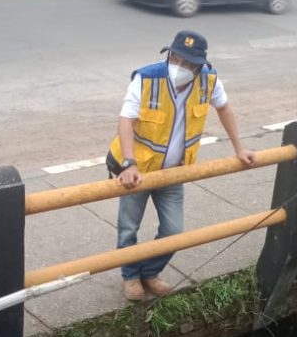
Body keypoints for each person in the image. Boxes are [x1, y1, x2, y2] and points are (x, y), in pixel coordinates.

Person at [107, 31, 257, 302]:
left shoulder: (208, 80)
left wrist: (239, 149)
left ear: (200, 65)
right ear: (168, 54)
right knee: (129, 227)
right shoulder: (147, 78)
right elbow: (126, 120)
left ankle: (150, 272)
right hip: (137, 171)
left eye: (188, 63)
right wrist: (129, 163)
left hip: (173, 172)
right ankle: (131, 277)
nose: (180, 66)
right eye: (176, 58)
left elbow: (224, 109)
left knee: (174, 230)